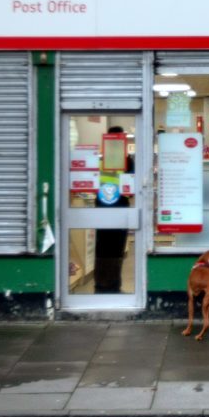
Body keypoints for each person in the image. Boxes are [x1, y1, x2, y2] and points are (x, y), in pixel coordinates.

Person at [94, 125, 133, 293]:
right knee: (116, 247)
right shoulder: (127, 160)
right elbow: (131, 187)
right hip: (120, 208)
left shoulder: (100, 160)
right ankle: (113, 284)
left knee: (102, 246)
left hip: (102, 208)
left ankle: (101, 283)